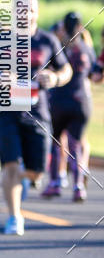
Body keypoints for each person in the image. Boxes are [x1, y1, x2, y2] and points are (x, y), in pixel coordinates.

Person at [0, 0, 71, 235]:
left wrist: (56, 78)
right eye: (21, 10)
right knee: (11, 167)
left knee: (34, 170)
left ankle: (29, 178)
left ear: (37, 12)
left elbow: (66, 69)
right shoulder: (1, 40)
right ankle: (14, 217)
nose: (26, 14)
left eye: (30, 9)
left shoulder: (48, 40)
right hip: (6, 112)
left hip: (37, 114)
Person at [43, 12, 95, 202]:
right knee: (77, 144)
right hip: (82, 102)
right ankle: (78, 186)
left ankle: (55, 183)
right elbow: (95, 75)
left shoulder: (57, 47)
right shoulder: (87, 49)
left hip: (59, 101)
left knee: (57, 144)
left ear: (63, 27)